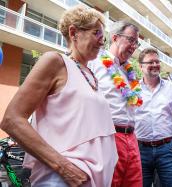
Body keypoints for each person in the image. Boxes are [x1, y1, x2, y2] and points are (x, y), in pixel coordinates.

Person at [0, 5, 118, 187]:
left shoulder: (90, 74)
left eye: (103, 37)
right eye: (96, 34)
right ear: (74, 33)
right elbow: (12, 120)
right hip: (62, 180)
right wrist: (64, 168)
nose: (101, 42)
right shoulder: (55, 61)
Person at [88, 21, 143, 187]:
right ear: (115, 37)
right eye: (131, 40)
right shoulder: (95, 62)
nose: (134, 46)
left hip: (132, 138)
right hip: (108, 136)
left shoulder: (129, 71)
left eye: (136, 43)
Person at [134, 48, 172, 187]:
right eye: (150, 62)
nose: (155, 64)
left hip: (168, 150)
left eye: (157, 61)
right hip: (140, 150)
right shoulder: (133, 89)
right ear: (141, 66)